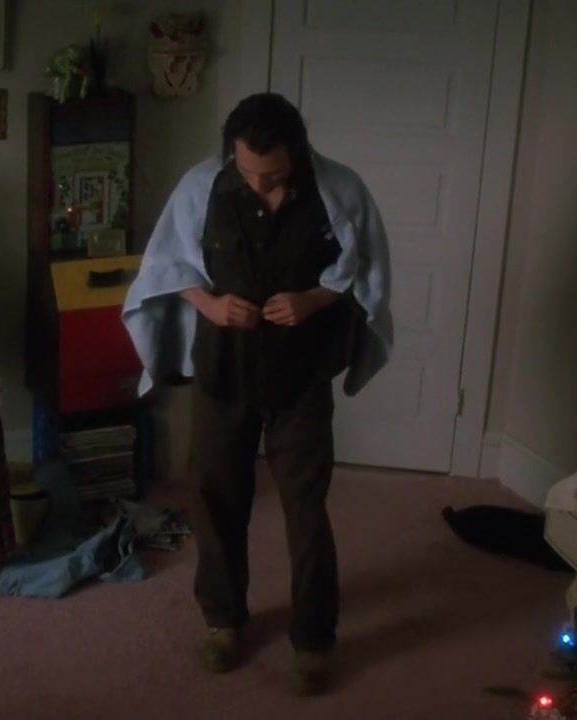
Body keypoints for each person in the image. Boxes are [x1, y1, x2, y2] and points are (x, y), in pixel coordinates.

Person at [122, 93, 393, 696]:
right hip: (224, 370)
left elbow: (364, 270)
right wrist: (211, 304)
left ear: (297, 153)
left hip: (301, 374)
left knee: (306, 506)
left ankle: (314, 639)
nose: (259, 183)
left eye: (271, 175)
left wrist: (313, 299)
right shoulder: (201, 187)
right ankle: (223, 620)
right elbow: (166, 266)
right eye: (247, 172)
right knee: (216, 496)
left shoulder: (339, 191)